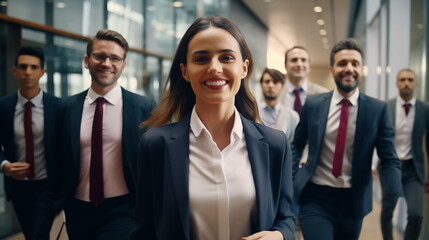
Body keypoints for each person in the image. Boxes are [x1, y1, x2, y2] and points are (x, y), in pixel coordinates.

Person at [130, 16, 295, 240]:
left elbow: (286, 218)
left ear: (244, 68)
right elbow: (144, 231)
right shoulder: (155, 145)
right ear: (185, 71)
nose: (214, 68)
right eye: (201, 59)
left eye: (226, 57)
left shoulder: (275, 144)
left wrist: (280, 236)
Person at [292, 39, 403, 240]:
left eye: (355, 64)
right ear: (331, 69)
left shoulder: (377, 109)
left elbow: (389, 157)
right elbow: (296, 145)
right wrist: (292, 179)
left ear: (361, 69)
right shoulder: (314, 104)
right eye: (342, 63)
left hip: (353, 200)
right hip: (315, 195)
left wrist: (394, 190)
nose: (349, 69)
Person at [53, 29, 156, 239]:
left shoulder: (144, 107)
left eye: (115, 58)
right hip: (77, 210)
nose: (106, 63)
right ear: (86, 60)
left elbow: (156, 161)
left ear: (123, 65)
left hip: (123, 208)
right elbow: (56, 158)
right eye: (100, 56)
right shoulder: (65, 107)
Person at [0, 45, 58, 239]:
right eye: (23, 67)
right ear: (15, 70)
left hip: (47, 187)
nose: (28, 72)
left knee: (38, 236)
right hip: (18, 188)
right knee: (29, 234)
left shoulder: (58, 107)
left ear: (42, 72)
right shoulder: (4, 107)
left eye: (34, 67)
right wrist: (4, 166)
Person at [379, 68, 429, 240]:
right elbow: (375, 137)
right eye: (402, 79)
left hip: (413, 170)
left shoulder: (424, 109)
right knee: (387, 211)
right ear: (396, 83)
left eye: (410, 79)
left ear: (415, 83)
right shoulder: (386, 107)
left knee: (416, 215)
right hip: (390, 167)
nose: (406, 83)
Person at [258, 67, 299, 142]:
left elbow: (294, 146)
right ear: (261, 85)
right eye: (267, 81)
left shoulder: (292, 116)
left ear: (282, 86)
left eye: (275, 82)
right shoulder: (251, 112)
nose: (270, 85)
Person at [283, 46, 328, 113]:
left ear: (309, 66)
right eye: (294, 60)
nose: (299, 64)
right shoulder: (274, 92)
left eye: (303, 60)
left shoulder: (323, 94)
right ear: (285, 66)